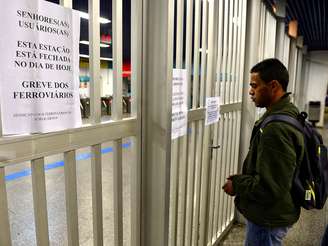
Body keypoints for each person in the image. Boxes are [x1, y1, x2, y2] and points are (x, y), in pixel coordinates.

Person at [222, 58, 304, 246]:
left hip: (268, 218)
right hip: (275, 213)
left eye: (255, 85)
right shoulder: (288, 111)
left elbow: (270, 188)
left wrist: (238, 185)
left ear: (273, 86)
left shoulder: (276, 128)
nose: (250, 91)